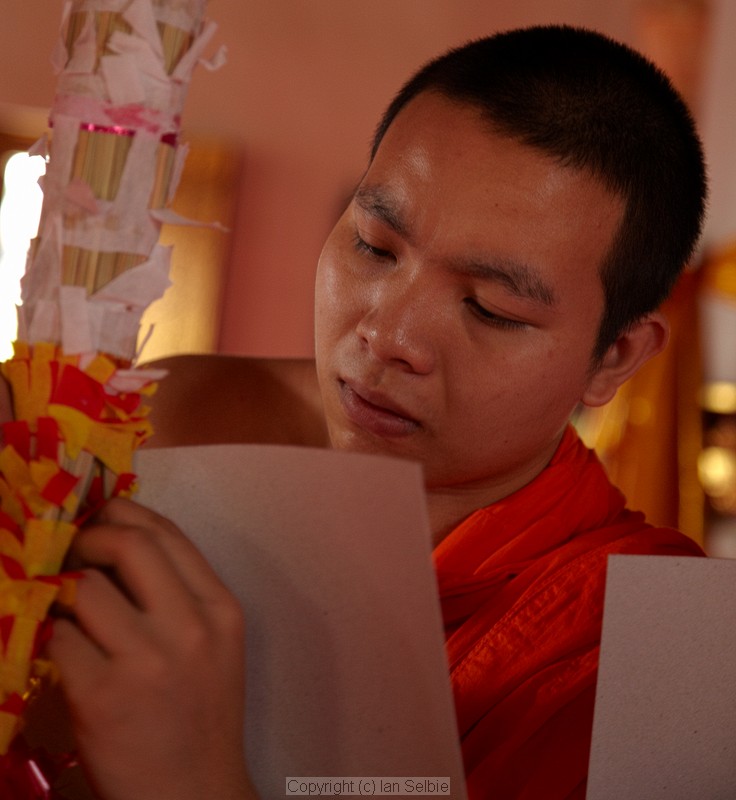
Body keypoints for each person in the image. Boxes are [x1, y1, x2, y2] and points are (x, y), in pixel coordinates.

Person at [40, 23, 707, 800]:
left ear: (616, 356)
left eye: (490, 309)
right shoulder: (164, 419)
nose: (387, 337)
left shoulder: (656, 658)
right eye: (374, 246)